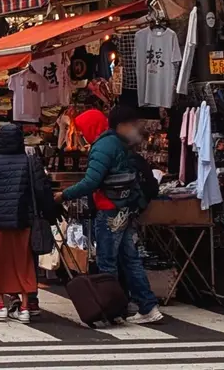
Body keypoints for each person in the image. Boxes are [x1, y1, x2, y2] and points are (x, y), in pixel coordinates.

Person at [57, 106, 163, 324]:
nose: (81, 134)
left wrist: (64, 195)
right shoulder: (118, 144)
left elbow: (91, 182)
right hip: (124, 209)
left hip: (109, 209)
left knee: (107, 262)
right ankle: (148, 305)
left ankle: (112, 310)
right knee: (129, 259)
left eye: (82, 129)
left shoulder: (102, 146)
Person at [0, 123, 53, 323]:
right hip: (24, 220)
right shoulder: (30, 162)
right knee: (24, 264)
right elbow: (41, 189)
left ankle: (0, 305)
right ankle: (25, 308)